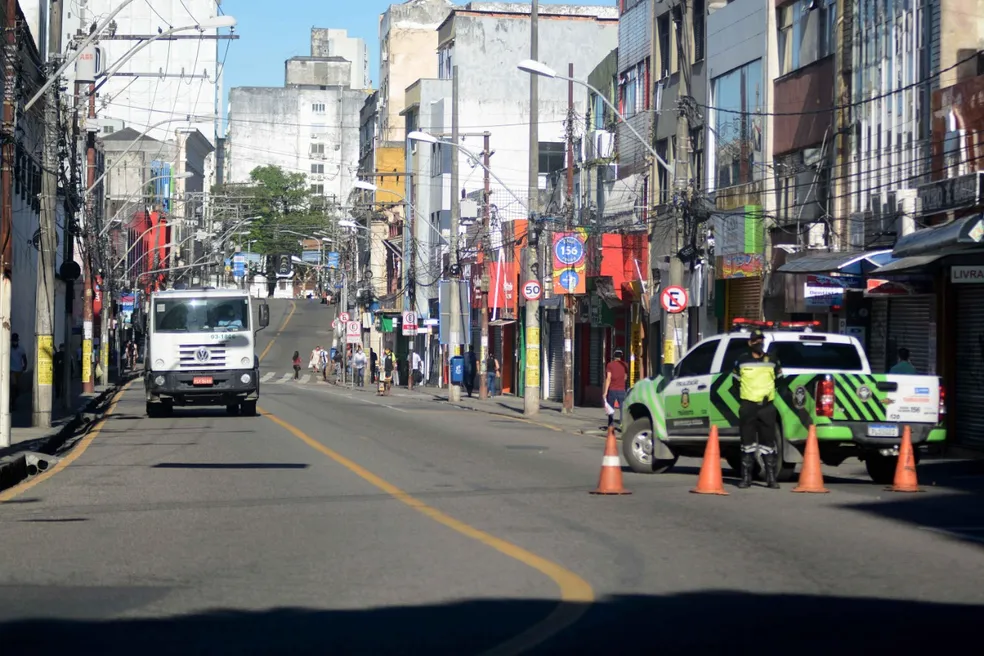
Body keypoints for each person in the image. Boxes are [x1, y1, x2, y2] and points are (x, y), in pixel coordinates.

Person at [733, 329, 783, 490]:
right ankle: (746, 478)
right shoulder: (741, 360)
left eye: (761, 340)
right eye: (755, 340)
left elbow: (781, 382)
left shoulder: (772, 359)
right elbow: (735, 384)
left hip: (766, 407)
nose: (758, 343)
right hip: (748, 406)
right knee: (747, 443)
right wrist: (743, 400)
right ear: (750, 343)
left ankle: (771, 478)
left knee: (768, 443)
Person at [602, 349, 629, 428]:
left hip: (612, 390)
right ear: (621, 356)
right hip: (621, 389)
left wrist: (605, 392)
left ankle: (610, 425)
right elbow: (625, 377)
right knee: (622, 408)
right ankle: (622, 425)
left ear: (614, 356)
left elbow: (608, 378)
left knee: (610, 408)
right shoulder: (625, 365)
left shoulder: (610, 365)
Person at [10, 333, 27, 410]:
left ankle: (13, 400)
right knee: (14, 386)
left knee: (18, 388)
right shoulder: (9, 348)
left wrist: (24, 366)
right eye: (13, 341)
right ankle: (12, 403)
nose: (14, 342)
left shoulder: (21, 349)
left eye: (15, 341)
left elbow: (24, 358)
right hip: (12, 370)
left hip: (19, 370)